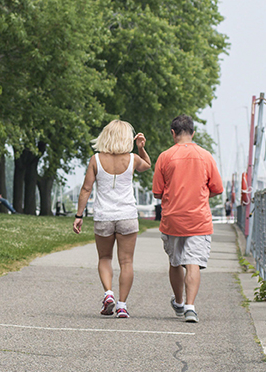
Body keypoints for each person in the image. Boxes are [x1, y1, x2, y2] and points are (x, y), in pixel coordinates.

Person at [73, 120, 152, 318]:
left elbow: (86, 189)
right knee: (126, 262)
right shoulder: (133, 159)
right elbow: (147, 166)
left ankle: (109, 294)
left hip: (104, 216)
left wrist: (78, 215)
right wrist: (142, 149)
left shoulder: (96, 160)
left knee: (105, 258)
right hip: (127, 216)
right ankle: (122, 306)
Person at [152, 114, 223, 323]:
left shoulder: (164, 157)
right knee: (192, 263)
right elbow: (217, 188)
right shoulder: (205, 156)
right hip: (198, 219)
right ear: (193, 133)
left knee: (175, 263)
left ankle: (179, 302)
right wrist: (200, 195)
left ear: (173, 133)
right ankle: (191, 307)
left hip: (172, 219)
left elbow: (157, 192)